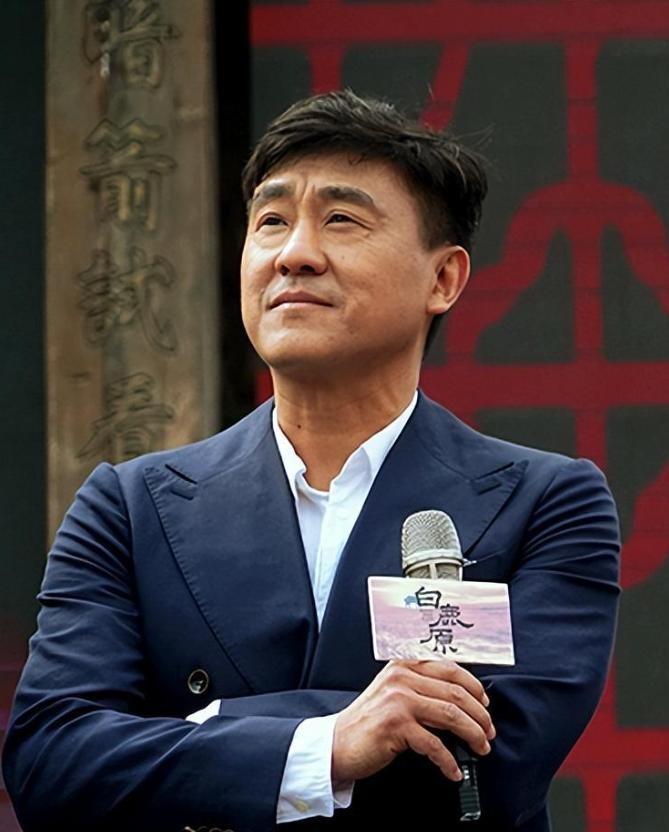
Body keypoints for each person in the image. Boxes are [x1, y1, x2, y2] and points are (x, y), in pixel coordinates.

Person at [2, 90, 620, 832]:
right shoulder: (128, 509)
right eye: (271, 221)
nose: (293, 253)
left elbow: (489, 774)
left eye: (341, 220)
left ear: (443, 279)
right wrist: (331, 744)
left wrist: (205, 728)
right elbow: (51, 763)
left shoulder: (547, 503)